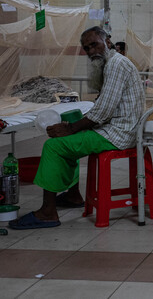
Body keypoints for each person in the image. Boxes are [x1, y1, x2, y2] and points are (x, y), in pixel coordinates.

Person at [9, 26, 145, 230]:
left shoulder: (116, 65)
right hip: (118, 128)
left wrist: (71, 129)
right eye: (86, 48)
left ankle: (47, 212)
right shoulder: (112, 64)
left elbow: (103, 112)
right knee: (70, 131)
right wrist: (73, 126)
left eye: (94, 45)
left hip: (119, 133)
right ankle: (73, 195)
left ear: (107, 42)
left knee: (54, 146)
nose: (91, 51)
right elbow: (104, 107)